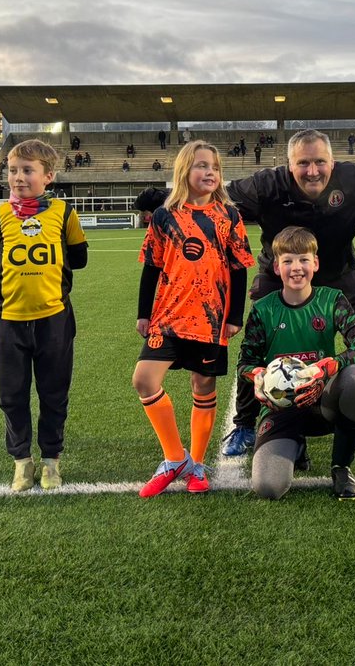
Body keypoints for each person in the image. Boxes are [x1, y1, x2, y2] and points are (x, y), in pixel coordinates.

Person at [221, 128, 355, 457]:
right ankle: (244, 424)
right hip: (281, 271)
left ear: (333, 162)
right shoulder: (266, 185)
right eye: (303, 163)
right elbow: (219, 199)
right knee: (255, 344)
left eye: (319, 162)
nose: (312, 171)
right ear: (289, 165)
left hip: (338, 271)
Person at [132, 141, 255, 496]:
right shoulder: (163, 216)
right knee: (144, 380)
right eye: (202, 166)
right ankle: (175, 458)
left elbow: (239, 267)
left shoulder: (228, 216)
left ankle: (197, 464)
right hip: (167, 316)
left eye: (215, 167)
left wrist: (233, 317)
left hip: (210, 319)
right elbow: (152, 266)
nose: (210, 173)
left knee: (203, 386)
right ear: (184, 171)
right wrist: (144, 312)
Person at [0, 139, 89, 492]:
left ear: (48, 176)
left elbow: (80, 258)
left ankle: (51, 462)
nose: (18, 178)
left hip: (54, 318)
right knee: (11, 394)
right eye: (12, 171)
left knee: (54, 393)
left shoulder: (64, 214)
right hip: (9, 319)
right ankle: (21, 463)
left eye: (28, 171)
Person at [239, 227, 355, 500]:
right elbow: (245, 362)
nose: (296, 268)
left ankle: (341, 467)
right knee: (268, 488)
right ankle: (296, 446)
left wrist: (327, 367)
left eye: (303, 259)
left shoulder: (332, 299)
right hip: (280, 408)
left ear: (315, 263)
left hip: (321, 402)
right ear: (277, 268)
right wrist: (257, 376)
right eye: (288, 261)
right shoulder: (263, 309)